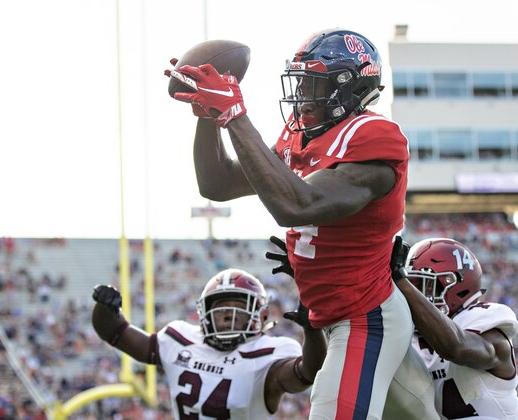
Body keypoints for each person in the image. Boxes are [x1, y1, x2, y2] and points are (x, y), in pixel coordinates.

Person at [166, 28, 434, 419]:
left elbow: (296, 204)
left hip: (366, 317)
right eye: (301, 81)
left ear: (348, 87)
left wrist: (234, 115)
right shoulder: (299, 134)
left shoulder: (374, 137)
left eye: (313, 83)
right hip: (334, 315)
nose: (303, 94)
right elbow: (217, 183)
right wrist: (209, 117)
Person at [91, 268, 327, 419]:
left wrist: (312, 329)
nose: (228, 315)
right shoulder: (180, 338)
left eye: (238, 307)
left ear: (259, 315)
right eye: (220, 307)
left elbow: (308, 372)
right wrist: (106, 307)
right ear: (204, 312)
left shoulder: (269, 353)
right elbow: (116, 333)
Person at [389, 236, 518, 419]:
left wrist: (401, 281)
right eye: (413, 284)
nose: (415, 295)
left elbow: (456, 347)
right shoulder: (411, 337)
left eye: (425, 287)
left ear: (457, 288)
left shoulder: (482, 321)